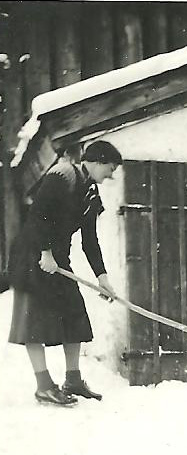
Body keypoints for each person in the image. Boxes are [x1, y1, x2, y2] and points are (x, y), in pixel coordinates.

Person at [8, 140, 122, 405]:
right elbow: (38, 215)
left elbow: (90, 240)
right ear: (97, 162)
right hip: (31, 254)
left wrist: (102, 277)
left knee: (74, 312)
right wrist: (45, 252)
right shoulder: (62, 174)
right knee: (33, 320)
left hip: (57, 258)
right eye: (110, 168)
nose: (110, 176)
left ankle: (73, 380)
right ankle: (44, 386)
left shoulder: (91, 192)